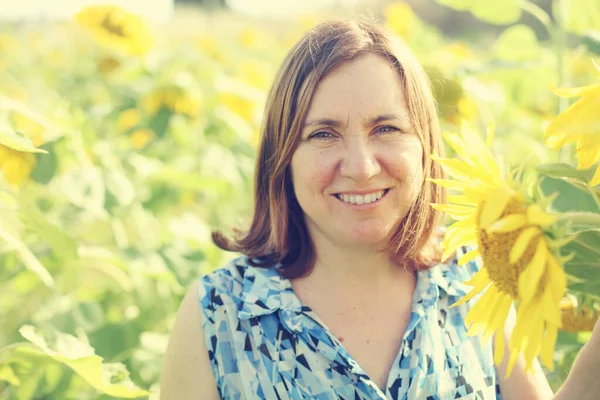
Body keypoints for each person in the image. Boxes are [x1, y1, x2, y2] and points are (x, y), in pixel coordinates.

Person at [160, 20, 600, 399]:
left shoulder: (476, 278)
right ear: (283, 157)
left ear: (425, 147)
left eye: (386, 128)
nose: (361, 167)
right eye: (323, 135)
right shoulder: (218, 315)